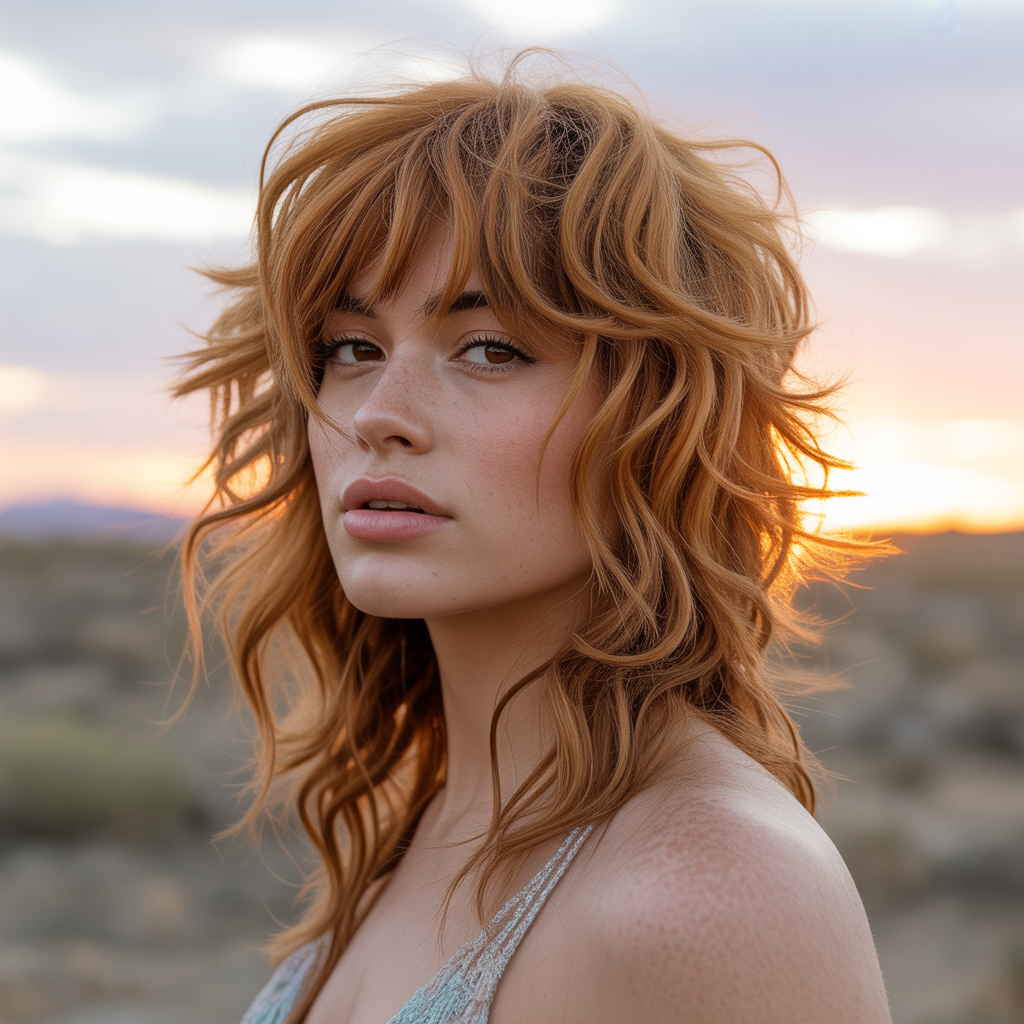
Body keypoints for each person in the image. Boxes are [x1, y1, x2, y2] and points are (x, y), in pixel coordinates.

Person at [176, 52, 892, 1024]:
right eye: (352, 347)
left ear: (660, 421)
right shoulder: (424, 820)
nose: (379, 414)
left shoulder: (705, 891)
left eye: (491, 348)